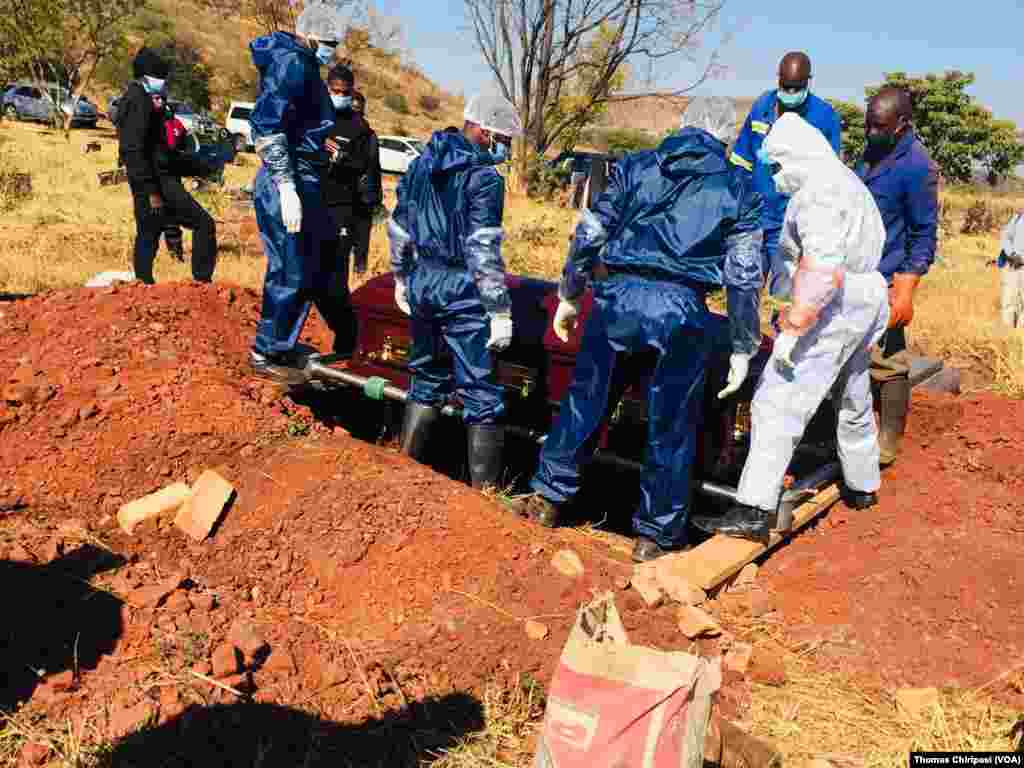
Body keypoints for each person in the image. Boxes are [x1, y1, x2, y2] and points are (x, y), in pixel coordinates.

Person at [517, 97, 764, 563]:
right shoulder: (738, 187)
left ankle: (548, 497)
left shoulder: (636, 166)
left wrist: (571, 292)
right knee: (671, 424)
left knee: (585, 400)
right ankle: (654, 537)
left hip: (616, 301)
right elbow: (745, 273)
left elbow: (589, 232)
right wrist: (742, 343)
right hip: (683, 309)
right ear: (725, 137)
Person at [693, 113, 890, 543]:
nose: (776, 177)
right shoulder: (848, 182)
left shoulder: (819, 191)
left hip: (834, 306)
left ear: (798, 156)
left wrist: (797, 319)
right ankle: (863, 484)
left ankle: (753, 509)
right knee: (853, 393)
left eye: (779, 167)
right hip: (867, 297)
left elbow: (822, 267)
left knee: (778, 398)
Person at [387, 89, 524, 489]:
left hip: (422, 280)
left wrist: (401, 276)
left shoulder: (421, 163)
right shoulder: (484, 180)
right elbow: (482, 247)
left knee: (426, 374)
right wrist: (498, 310)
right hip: (461, 286)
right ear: (483, 132)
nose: (507, 149)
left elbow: (400, 224)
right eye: (505, 140)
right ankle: (486, 497)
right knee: (480, 387)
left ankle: (405, 472)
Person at [247, 1, 346, 384]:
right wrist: (286, 186)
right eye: (328, 42)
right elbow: (268, 127)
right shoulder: (292, 62)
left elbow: (295, 124)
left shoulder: (302, 62)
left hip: (303, 172)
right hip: (285, 178)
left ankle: (281, 342)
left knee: (307, 261)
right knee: (290, 266)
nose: (331, 51)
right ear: (310, 36)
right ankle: (266, 349)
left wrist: (315, 145)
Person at [855, 86, 939, 465]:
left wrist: (905, 290)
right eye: (869, 125)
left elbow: (923, 235)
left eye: (880, 126)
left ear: (902, 125)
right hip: (854, 271)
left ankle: (888, 442)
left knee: (887, 361)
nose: (871, 132)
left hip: (888, 276)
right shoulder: (870, 153)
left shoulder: (917, 167)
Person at [731, 52, 841, 294]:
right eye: (786, 86)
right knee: (744, 288)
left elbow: (830, 176)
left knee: (786, 296)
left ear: (808, 82)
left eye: (796, 88)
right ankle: (745, 332)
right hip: (756, 217)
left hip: (793, 224)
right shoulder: (762, 106)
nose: (790, 93)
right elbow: (741, 159)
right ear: (778, 79)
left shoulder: (824, 116)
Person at [117, 47, 217, 285]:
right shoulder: (138, 101)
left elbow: (158, 150)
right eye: (160, 78)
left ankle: (144, 283)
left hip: (155, 179)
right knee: (203, 224)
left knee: (149, 233)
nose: (163, 83)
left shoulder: (142, 100)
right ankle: (202, 284)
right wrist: (150, 191)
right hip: (157, 182)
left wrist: (198, 167)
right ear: (145, 77)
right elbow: (134, 151)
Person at [319, 64, 378, 357]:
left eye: (345, 92)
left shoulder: (360, 128)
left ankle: (347, 340)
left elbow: (364, 167)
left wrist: (341, 157)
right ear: (327, 88)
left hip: (342, 207)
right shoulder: (315, 116)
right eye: (335, 91)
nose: (340, 97)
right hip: (311, 202)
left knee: (335, 280)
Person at [998, 211, 1024, 328]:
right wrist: (1011, 254)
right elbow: (1006, 236)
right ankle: (1007, 336)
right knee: (1008, 302)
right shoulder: (1018, 217)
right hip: (1013, 265)